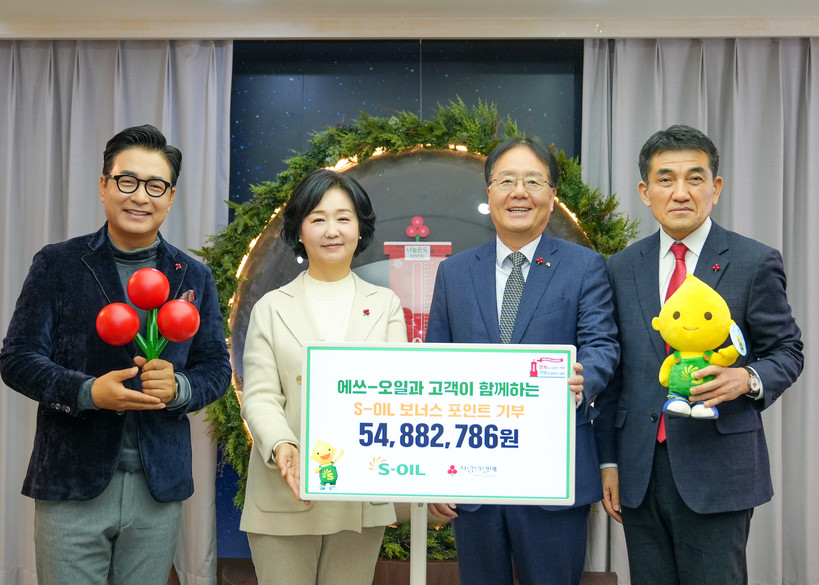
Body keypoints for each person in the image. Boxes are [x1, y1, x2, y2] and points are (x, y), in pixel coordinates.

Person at [0, 124, 232, 585]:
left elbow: (215, 368)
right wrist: (87, 391)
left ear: (170, 197)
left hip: (156, 488)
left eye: (155, 185)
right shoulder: (58, 264)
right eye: (127, 181)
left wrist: (181, 387)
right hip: (71, 482)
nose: (140, 196)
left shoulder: (193, 276)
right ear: (104, 185)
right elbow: (18, 358)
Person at [595, 125, 804, 585]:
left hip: (719, 469)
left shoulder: (753, 261)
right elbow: (613, 374)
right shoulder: (622, 266)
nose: (681, 192)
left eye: (695, 178)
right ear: (645, 192)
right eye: (665, 179)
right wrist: (609, 462)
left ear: (716, 187)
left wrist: (745, 378)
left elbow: (788, 350)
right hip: (640, 469)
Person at [425, 135, 620, 585]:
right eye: (507, 180)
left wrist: (585, 375)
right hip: (472, 474)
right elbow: (436, 367)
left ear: (552, 195)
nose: (519, 192)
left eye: (533, 181)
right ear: (489, 192)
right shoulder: (454, 272)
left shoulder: (585, 266)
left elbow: (602, 344)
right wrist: (436, 472)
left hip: (553, 473)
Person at [239, 169, 407, 585]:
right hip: (286, 486)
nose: (332, 230)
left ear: (360, 227)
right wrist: (283, 445)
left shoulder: (385, 304)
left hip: (360, 490)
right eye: (317, 218)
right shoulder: (271, 308)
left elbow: (397, 391)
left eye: (343, 218)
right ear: (300, 229)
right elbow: (260, 396)